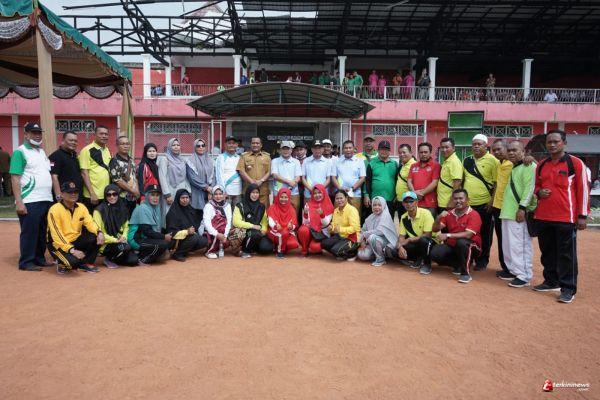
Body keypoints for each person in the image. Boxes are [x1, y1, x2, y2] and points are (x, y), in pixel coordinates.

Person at [533, 130, 589, 303]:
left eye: (556, 141)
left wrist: (582, 215)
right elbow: (536, 186)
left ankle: (568, 288)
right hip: (543, 215)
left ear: (564, 142)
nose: (552, 144)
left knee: (566, 255)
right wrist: (539, 192)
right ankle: (551, 281)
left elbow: (583, 189)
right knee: (547, 252)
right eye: (549, 142)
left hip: (566, 217)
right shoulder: (542, 164)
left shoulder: (575, 163)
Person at [10, 122, 53, 271]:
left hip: (45, 199)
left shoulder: (41, 152)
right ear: (26, 135)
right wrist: (19, 202)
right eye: (34, 133)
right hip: (30, 200)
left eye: (39, 133)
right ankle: (26, 262)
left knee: (42, 232)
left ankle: (39, 259)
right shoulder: (20, 152)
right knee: (30, 232)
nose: (37, 135)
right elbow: (15, 178)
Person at [500, 141, 537, 288]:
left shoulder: (529, 166)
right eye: (509, 150)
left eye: (515, 150)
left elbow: (530, 188)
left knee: (520, 245)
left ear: (523, 151)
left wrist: (522, 208)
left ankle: (524, 275)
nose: (511, 153)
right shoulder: (515, 167)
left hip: (518, 213)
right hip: (508, 212)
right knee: (509, 245)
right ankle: (514, 270)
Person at [462, 133, 499, 270]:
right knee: (469, 232)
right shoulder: (467, 160)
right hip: (468, 205)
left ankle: (483, 260)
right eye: (474, 144)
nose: (476, 146)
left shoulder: (493, 161)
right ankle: (470, 256)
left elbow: (496, 183)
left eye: (479, 144)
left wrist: (492, 201)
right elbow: (463, 180)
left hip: (485, 205)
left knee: (485, 233)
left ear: (486, 146)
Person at [430, 189, 482, 283]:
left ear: (467, 200)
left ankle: (465, 273)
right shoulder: (449, 213)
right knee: (435, 252)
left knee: (462, 243)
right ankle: (458, 264)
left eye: (461, 198)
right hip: (454, 245)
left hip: (472, 246)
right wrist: (438, 218)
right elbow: (435, 229)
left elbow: (468, 235)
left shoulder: (474, 214)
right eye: (455, 198)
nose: (458, 201)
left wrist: (448, 235)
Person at [93, 184, 139, 268]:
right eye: (109, 195)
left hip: (120, 241)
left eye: (114, 194)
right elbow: (98, 231)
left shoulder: (122, 208)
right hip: (106, 243)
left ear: (118, 195)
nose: (112, 197)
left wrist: (124, 237)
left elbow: (126, 226)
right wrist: (116, 240)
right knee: (126, 247)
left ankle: (115, 259)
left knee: (133, 260)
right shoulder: (98, 211)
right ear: (105, 196)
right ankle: (108, 258)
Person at [394, 191, 436, 274]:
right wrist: (400, 247)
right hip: (417, 242)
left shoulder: (426, 213)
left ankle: (427, 264)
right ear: (403, 204)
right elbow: (401, 236)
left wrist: (409, 239)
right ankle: (419, 259)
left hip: (431, 242)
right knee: (396, 249)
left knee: (423, 240)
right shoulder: (404, 217)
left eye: (411, 201)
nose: (409, 204)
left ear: (416, 202)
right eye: (406, 202)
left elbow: (428, 235)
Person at [128, 184, 170, 265]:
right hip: (136, 239)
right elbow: (147, 231)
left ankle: (145, 253)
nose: (155, 198)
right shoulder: (143, 208)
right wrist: (164, 237)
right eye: (152, 195)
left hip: (146, 238)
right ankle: (142, 259)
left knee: (167, 245)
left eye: (157, 195)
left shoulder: (155, 208)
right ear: (147, 196)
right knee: (163, 244)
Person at [490, 139, 513, 279]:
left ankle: (512, 269)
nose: (497, 152)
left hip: (509, 208)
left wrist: (529, 158)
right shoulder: (499, 164)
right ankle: (505, 267)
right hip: (498, 207)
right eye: (494, 150)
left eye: (499, 149)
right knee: (501, 238)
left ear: (506, 148)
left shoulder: (514, 163)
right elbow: (497, 185)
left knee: (510, 240)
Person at [230, 184, 272, 257]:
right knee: (253, 234)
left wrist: (264, 230)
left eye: (257, 193)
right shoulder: (240, 205)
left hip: (258, 232)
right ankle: (244, 250)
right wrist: (252, 226)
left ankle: (253, 248)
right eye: (252, 192)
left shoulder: (261, 206)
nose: (255, 195)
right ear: (248, 193)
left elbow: (264, 221)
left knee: (267, 248)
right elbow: (236, 222)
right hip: (244, 232)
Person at [166, 189, 208, 262]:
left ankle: (186, 250)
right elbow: (172, 233)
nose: (185, 200)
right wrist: (186, 232)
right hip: (176, 240)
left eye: (187, 197)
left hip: (189, 237)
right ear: (178, 198)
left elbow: (198, 218)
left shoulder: (189, 209)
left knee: (204, 241)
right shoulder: (173, 213)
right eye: (182, 198)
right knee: (194, 238)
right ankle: (177, 254)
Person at [357, 196, 398, 267]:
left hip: (387, 243)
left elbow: (380, 231)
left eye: (379, 205)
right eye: (374, 205)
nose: (376, 207)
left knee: (373, 237)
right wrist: (362, 240)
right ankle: (377, 254)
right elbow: (362, 230)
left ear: (383, 205)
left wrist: (365, 234)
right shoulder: (370, 218)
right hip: (373, 243)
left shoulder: (386, 215)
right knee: (362, 255)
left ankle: (380, 259)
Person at [158, 138, 191, 225]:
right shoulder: (164, 159)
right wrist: (167, 194)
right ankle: (169, 231)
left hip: (181, 190)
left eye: (178, 145)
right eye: (173, 145)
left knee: (181, 212)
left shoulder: (182, 160)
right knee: (169, 212)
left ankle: (180, 231)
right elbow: (162, 177)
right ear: (169, 147)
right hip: (170, 191)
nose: (176, 147)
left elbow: (185, 177)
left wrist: (188, 191)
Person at [79, 125, 111, 213]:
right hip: (92, 196)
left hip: (106, 194)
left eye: (106, 134)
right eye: (101, 134)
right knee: (92, 220)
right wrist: (92, 193)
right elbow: (84, 173)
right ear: (95, 135)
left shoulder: (107, 150)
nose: (104, 136)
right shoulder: (87, 150)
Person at [321, 190, 361, 260]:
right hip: (340, 237)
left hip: (352, 238)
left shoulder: (352, 210)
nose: (339, 200)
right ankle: (341, 252)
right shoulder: (336, 210)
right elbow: (334, 225)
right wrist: (331, 228)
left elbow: (354, 228)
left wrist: (340, 229)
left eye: (341, 198)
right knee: (324, 244)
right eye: (337, 198)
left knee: (335, 250)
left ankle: (352, 253)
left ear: (346, 198)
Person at [297, 184, 334, 256]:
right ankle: (304, 249)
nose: (317, 195)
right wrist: (305, 214)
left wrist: (322, 215)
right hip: (311, 231)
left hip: (321, 233)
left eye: (319, 193)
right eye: (315, 193)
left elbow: (326, 223)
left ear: (323, 193)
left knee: (315, 248)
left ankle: (314, 245)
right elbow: (304, 223)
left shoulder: (329, 206)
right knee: (303, 229)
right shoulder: (308, 204)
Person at [364, 140, 399, 217]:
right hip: (375, 200)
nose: (384, 151)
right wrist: (366, 195)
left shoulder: (395, 164)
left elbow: (398, 181)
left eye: (386, 149)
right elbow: (367, 181)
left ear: (390, 151)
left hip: (390, 199)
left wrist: (397, 195)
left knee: (389, 221)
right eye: (382, 149)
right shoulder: (372, 163)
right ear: (378, 150)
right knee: (374, 221)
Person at [333, 140, 366, 214]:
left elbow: (362, 178)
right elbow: (333, 177)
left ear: (354, 149)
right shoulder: (337, 161)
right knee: (339, 216)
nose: (348, 150)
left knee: (355, 216)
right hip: (340, 195)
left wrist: (352, 189)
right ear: (342, 149)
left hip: (355, 194)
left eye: (350, 148)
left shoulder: (360, 161)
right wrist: (340, 188)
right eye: (346, 148)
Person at [408, 142, 440, 217]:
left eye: (426, 152)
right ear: (418, 153)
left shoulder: (436, 165)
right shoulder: (413, 166)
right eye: (421, 152)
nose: (423, 154)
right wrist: (414, 193)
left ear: (430, 153)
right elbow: (409, 181)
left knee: (429, 224)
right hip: (415, 202)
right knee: (415, 223)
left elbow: (434, 182)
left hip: (430, 203)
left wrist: (421, 193)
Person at [109, 136, 139, 215]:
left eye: (127, 144)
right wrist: (133, 191)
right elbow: (118, 180)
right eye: (122, 144)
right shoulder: (114, 161)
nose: (125, 146)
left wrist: (137, 191)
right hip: (121, 198)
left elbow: (134, 177)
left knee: (131, 219)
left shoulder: (131, 160)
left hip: (132, 198)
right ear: (117, 145)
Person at [237, 137, 271, 206]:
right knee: (248, 210)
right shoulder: (244, 156)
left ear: (261, 145)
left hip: (263, 191)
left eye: (257, 143)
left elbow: (269, 171)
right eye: (253, 143)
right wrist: (252, 182)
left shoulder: (267, 157)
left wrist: (261, 181)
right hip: (248, 190)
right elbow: (241, 170)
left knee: (263, 210)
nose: (255, 145)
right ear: (250, 144)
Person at [267, 188, 300, 258]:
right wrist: (275, 226)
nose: (283, 199)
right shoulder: (272, 207)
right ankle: (280, 251)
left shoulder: (291, 209)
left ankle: (279, 246)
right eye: (281, 197)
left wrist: (291, 226)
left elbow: (294, 223)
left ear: (289, 198)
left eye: (286, 197)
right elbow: (270, 220)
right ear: (278, 197)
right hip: (275, 232)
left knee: (293, 244)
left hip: (287, 232)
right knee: (282, 234)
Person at [49, 130, 81, 202]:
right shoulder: (56, 156)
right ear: (63, 141)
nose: (73, 142)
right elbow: (54, 177)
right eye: (71, 140)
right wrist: (59, 197)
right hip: (64, 198)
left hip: (75, 196)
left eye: (75, 141)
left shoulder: (74, 155)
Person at [271, 140, 302, 211]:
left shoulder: (296, 161)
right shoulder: (275, 161)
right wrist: (289, 182)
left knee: (294, 212)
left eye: (288, 149)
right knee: (278, 212)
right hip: (278, 192)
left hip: (293, 192)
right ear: (280, 150)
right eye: (283, 149)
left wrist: (292, 184)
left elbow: (298, 177)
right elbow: (275, 175)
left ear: (291, 150)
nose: (285, 151)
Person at [301, 140, 335, 205]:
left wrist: (320, 189)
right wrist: (310, 189)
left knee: (322, 211)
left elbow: (328, 179)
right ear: (312, 149)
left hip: (323, 193)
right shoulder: (306, 161)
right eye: (315, 148)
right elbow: (303, 178)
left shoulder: (328, 162)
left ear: (323, 149)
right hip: (309, 193)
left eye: (319, 148)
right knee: (308, 211)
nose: (317, 150)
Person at [186, 138, 215, 212]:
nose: (201, 147)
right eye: (198, 146)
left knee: (209, 212)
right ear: (195, 147)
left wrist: (211, 190)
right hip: (197, 191)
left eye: (203, 145)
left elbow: (214, 176)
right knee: (197, 213)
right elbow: (192, 177)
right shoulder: (190, 160)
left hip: (209, 192)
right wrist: (206, 187)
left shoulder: (210, 160)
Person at [203, 186, 232, 259]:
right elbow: (207, 224)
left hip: (223, 232)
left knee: (239, 232)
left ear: (223, 195)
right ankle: (209, 251)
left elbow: (229, 222)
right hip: (210, 233)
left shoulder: (227, 206)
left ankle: (220, 249)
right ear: (212, 195)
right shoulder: (208, 206)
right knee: (219, 221)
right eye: (216, 194)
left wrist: (225, 236)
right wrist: (217, 234)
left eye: (220, 194)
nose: (218, 196)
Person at [437, 137, 463, 213]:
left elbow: (457, 182)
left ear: (453, 148)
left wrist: (452, 201)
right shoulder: (447, 161)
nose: (444, 150)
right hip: (443, 201)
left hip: (448, 203)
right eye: (442, 147)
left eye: (447, 147)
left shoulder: (454, 161)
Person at [215, 136, 243, 207]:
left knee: (237, 212)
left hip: (238, 191)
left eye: (233, 143)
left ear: (237, 145)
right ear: (225, 145)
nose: (231, 145)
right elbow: (219, 175)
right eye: (229, 143)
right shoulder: (221, 157)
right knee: (226, 212)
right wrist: (222, 191)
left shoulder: (239, 158)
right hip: (226, 192)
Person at [394, 144, 416, 219]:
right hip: (400, 200)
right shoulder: (403, 165)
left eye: (404, 152)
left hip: (409, 201)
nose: (402, 155)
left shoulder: (414, 165)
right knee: (402, 222)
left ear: (411, 152)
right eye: (400, 153)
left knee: (410, 223)